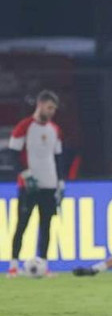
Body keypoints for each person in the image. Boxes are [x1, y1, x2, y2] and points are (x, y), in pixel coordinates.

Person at [7, 90, 64, 278]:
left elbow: (58, 157)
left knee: (46, 225)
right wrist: (25, 174)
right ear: (39, 105)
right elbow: (12, 154)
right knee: (22, 223)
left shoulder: (55, 130)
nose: (52, 111)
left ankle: (44, 264)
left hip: (49, 183)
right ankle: (14, 265)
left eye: (54, 109)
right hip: (29, 184)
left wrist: (60, 181)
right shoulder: (24, 127)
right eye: (49, 107)